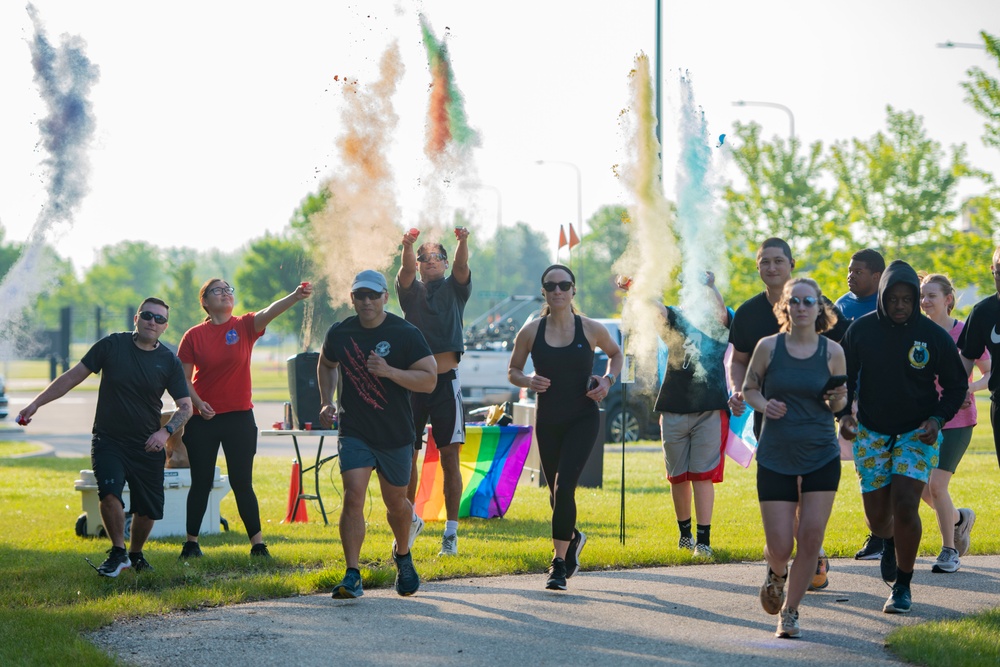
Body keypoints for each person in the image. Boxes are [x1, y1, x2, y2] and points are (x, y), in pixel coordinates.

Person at [18, 299, 191, 576]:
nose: (152, 322)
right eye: (147, 315)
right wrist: (36, 404)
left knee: (147, 510)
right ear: (137, 318)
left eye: (159, 319)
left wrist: (165, 432)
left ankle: (135, 554)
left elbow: (185, 407)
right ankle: (118, 552)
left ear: (165, 327)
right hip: (108, 439)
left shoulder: (168, 361)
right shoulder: (112, 346)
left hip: (148, 444)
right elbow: (72, 377)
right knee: (109, 493)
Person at [839, 260, 967, 614]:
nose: (900, 305)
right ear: (882, 298)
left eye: (907, 299)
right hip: (871, 432)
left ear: (914, 300)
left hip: (916, 433)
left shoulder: (933, 336)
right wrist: (843, 415)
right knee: (879, 519)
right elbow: (842, 378)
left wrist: (938, 420)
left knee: (906, 504)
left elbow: (957, 386)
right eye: (892, 299)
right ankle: (890, 540)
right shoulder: (861, 331)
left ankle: (903, 586)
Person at [727, 237, 847, 590]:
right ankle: (782, 561)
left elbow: (842, 356)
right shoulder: (749, 313)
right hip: (773, 418)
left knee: (806, 488)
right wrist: (739, 391)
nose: (772, 267)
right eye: (765, 262)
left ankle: (812, 552)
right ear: (758, 267)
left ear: (791, 264)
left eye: (779, 261)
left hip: (816, 423)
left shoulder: (816, 306)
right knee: (787, 490)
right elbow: (739, 362)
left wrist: (844, 403)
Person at [318, 270, 437, 599]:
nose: (366, 301)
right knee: (353, 496)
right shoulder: (341, 332)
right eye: (360, 296)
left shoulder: (405, 333)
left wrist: (390, 372)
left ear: (385, 296)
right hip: (354, 430)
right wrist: (326, 401)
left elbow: (429, 379)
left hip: (395, 433)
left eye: (373, 295)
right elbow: (326, 363)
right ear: (352, 298)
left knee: (396, 503)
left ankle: (402, 554)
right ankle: (352, 573)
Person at [177, 278, 313, 559]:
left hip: (239, 418)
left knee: (242, 482)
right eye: (218, 290)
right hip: (203, 419)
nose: (225, 294)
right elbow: (182, 379)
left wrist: (295, 296)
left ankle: (258, 545)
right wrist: (199, 404)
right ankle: (191, 544)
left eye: (229, 290)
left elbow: (270, 311)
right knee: (201, 481)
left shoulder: (244, 326)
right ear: (204, 301)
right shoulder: (193, 336)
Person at [743, 278, 848, 639]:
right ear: (785, 307)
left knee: (811, 535)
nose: (802, 307)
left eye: (809, 301)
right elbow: (749, 387)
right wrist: (763, 404)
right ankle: (776, 571)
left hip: (821, 452)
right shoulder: (768, 347)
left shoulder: (832, 352)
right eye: (795, 301)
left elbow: (838, 405)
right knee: (780, 544)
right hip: (776, 454)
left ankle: (789, 612)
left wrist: (839, 399)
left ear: (820, 308)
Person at [508, 264, 623, 591]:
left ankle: (558, 564)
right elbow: (513, 370)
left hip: (583, 417)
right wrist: (528, 380)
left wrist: (608, 380)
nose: (558, 290)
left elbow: (616, 355)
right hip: (548, 419)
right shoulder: (531, 331)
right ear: (543, 291)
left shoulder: (590, 328)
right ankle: (573, 538)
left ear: (573, 291)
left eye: (564, 285)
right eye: (551, 285)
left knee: (565, 487)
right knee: (555, 495)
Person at [623, 271, 730, 558]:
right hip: (672, 407)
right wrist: (637, 285)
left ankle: (704, 542)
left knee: (702, 475)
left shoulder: (718, 318)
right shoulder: (673, 316)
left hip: (709, 408)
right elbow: (655, 309)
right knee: (678, 476)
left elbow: (722, 314)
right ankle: (685, 536)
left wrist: (710, 285)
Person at [395, 227, 471, 556]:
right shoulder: (411, 291)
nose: (429, 262)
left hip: (445, 382)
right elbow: (406, 271)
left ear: (444, 261)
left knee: (450, 458)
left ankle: (451, 534)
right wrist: (408, 246)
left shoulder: (455, 288)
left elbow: (462, 268)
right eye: (423, 257)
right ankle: (408, 520)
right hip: (412, 384)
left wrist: (462, 242)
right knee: (405, 456)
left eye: (435, 257)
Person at [918, 273, 987, 573]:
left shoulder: (965, 333)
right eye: (922, 295)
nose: (924, 301)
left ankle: (949, 551)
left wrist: (967, 390)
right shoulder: (917, 334)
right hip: (923, 421)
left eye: (930, 295)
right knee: (919, 486)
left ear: (947, 299)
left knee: (936, 485)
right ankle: (959, 519)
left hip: (958, 420)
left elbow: (990, 373)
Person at [835, 248, 889, 562]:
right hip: (852, 402)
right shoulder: (842, 306)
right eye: (849, 270)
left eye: (857, 271)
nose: (850, 275)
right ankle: (879, 536)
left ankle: (953, 520)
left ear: (876, 276)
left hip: (888, 401)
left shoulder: (891, 305)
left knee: (901, 476)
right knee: (867, 470)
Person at [957, 245, 1000, 471]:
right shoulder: (983, 312)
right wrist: (960, 389)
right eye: (999, 271)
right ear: (992, 270)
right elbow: (967, 355)